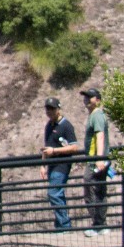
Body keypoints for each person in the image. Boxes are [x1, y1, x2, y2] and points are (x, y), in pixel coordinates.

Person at [41, 96, 80, 230]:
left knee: (54, 192)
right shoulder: (49, 126)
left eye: (52, 108)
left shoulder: (66, 126)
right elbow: (46, 148)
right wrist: (43, 165)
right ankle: (60, 225)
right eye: (47, 109)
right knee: (56, 193)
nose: (49, 111)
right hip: (51, 165)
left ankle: (64, 225)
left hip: (62, 165)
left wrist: (55, 151)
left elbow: (74, 147)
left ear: (58, 109)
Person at [80, 88, 112, 234]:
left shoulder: (97, 115)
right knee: (98, 190)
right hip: (96, 159)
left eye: (90, 97)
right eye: (85, 97)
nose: (86, 99)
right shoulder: (94, 115)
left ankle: (98, 224)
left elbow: (100, 136)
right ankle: (100, 224)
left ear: (97, 100)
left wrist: (99, 158)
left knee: (90, 189)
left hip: (95, 160)